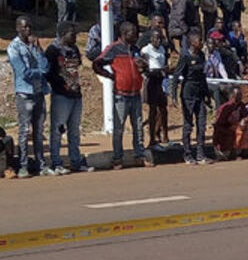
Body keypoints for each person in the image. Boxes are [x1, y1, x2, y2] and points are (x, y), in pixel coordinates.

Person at [93, 22, 152, 169]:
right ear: (125, 34)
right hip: (121, 95)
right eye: (133, 32)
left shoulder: (136, 49)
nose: (136, 35)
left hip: (135, 94)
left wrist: (144, 66)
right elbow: (97, 63)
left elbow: (145, 68)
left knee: (138, 127)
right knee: (118, 128)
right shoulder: (114, 49)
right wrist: (110, 76)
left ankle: (140, 155)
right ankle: (118, 157)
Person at [7, 16, 49, 176]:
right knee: (24, 131)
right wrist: (41, 72)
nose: (28, 30)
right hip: (25, 93)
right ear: (18, 28)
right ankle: (23, 165)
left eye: (30, 27)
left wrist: (38, 49)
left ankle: (41, 164)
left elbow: (46, 65)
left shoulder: (33, 46)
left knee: (38, 131)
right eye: (24, 27)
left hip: (39, 92)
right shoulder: (14, 47)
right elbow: (23, 72)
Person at [44, 22, 87, 174]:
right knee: (58, 129)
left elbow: (77, 66)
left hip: (76, 94)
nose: (75, 36)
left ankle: (75, 161)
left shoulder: (74, 49)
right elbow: (48, 73)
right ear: (63, 34)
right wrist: (61, 86)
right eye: (72, 34)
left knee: (74, 130)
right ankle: (56, 162)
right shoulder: (53, 50)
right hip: (61, 96)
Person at [173, 30, 211, 164]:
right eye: (199, 40)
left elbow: (203, 76)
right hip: (188, 92)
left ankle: (201, 154)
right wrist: (174, 96)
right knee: (188, 124)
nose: (202, 43)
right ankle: (187, 154)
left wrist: (207, 95)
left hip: (200, 92)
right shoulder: (185, 56)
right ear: (193, 42)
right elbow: (177, 76)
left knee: (202, 124)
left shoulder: (201, 55)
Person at [141, 27, 171, 151]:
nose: (158, 41)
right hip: (151, 81)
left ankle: (165, 135)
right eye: (156, 38)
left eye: (160, 38)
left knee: (163, 109)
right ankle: (152, 138)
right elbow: (144, 67)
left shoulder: (163, 49)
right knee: (153, 110)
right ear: (151, 38)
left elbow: (164, 63)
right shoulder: (146, 50)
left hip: (161, 80)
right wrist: (157, 71)